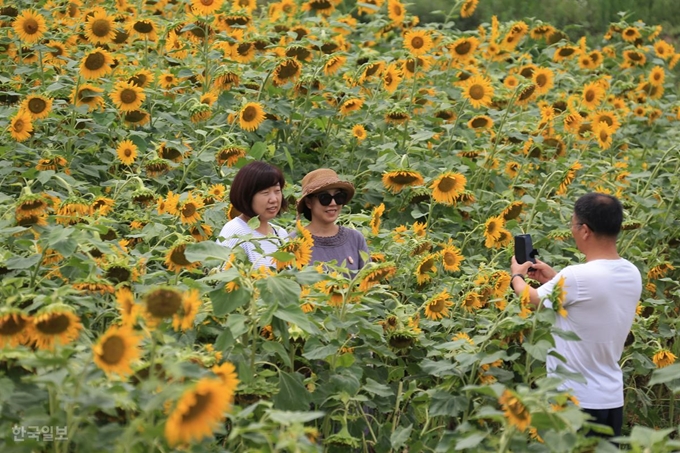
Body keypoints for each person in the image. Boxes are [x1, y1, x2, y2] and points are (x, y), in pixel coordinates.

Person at [510, 192, 641, 439]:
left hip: (575, 401)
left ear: (585, 230)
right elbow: (592, 297)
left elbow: (533, 300)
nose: (572, 231)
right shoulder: (631, 272)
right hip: (611, 400)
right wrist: (554, 278)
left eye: (572, 224)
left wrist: (516, 275)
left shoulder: (577, 276)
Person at [217, 161, 288, 268]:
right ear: (247, 195)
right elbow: (222, 276)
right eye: (265, 192)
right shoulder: (235, 231)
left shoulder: (281, 234)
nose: (274, 199)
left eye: (277, 191)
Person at [296, 168, 369, 271]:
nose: (333, 203)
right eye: (325, 198)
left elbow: (368, 282)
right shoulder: (295, 242)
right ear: (309, 202)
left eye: (339, 197)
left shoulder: (355, 239)